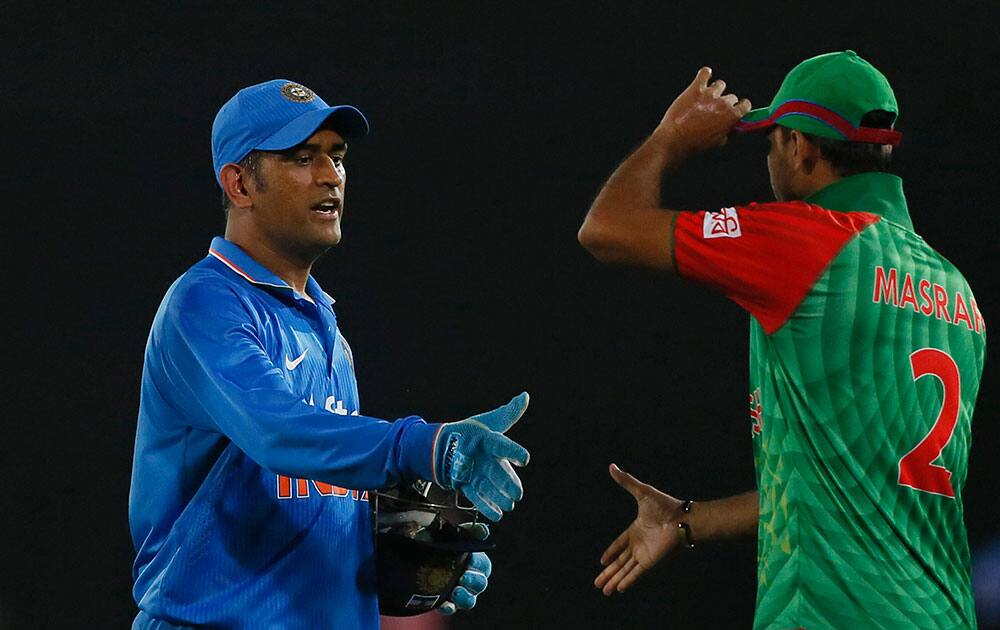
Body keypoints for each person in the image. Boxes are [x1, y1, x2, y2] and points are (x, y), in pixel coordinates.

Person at [579, 51, 986, 628]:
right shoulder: (956, 290)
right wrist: (686, 520)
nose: (770, 157)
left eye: (771, 141)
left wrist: (669, 139)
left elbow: (606, 228)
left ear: (802, 147)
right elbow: (849, 493)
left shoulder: (809, 240)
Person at [129, 79, 532, 629]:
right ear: (240, 183)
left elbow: (307, 490)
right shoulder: (205, 304)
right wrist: (426, 443)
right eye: (301, 157)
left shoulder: (326, 330)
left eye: (336, 157)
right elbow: (280, 432)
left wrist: (403, 553)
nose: (329, 176)